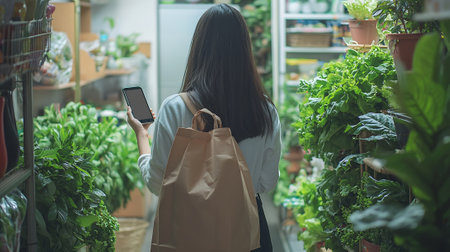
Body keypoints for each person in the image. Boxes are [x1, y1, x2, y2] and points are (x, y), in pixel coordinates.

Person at [126, 4, 281, 251]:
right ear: (244, 50)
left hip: (189, 231)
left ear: (199, 48)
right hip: (248, 230)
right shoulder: (265, 111)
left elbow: (158, 183)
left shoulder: (174, 108)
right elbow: (267, 180)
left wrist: (141, 135)